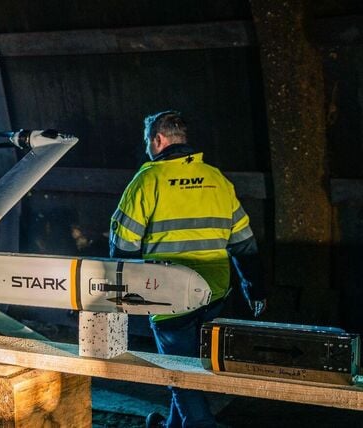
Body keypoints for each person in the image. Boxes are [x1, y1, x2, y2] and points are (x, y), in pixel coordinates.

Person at [109, 110, 266, 428]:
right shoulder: (216, 178)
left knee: (177, 372)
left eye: (147, 142)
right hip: (215, 292)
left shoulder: (148, 179)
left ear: (158, 140)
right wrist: (255, 288)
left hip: (170, 294)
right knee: (191, 367)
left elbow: (122, 246)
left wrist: (119, 296)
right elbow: (244, 242)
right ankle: (172, 425)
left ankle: (200, 424)